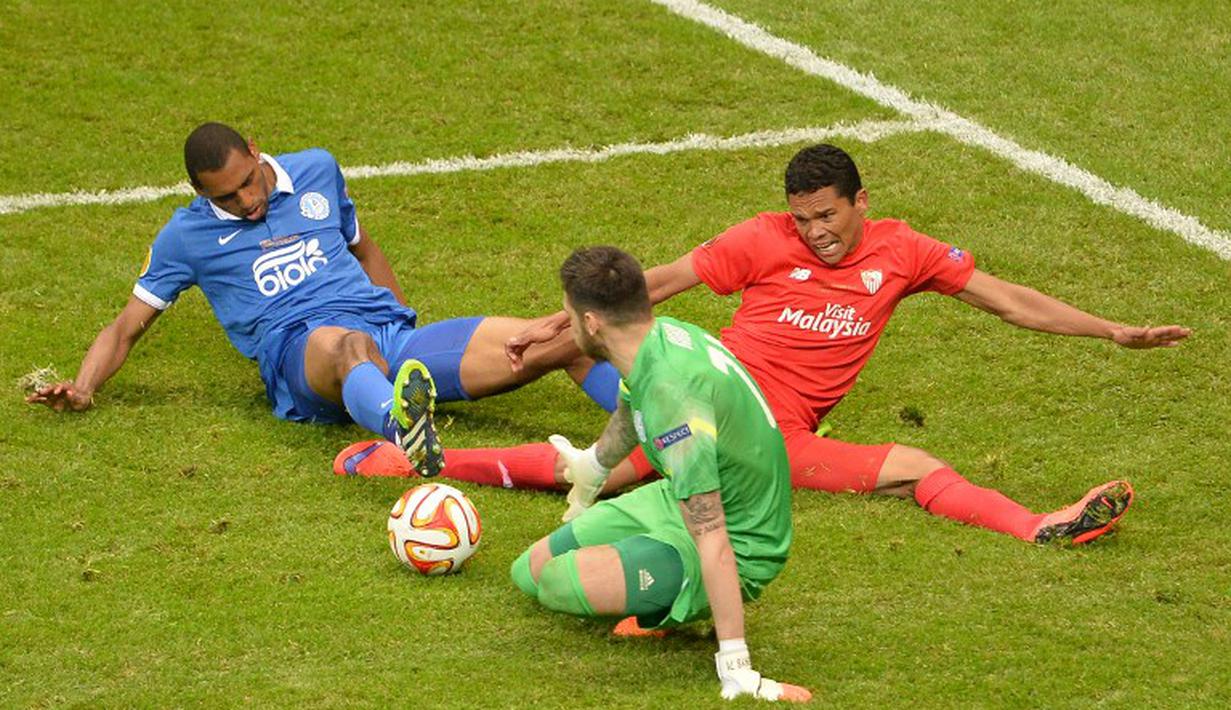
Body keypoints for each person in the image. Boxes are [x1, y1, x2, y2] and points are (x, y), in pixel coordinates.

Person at [494, 143, 1190, 545]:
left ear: (862, 201)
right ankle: (1033, 525)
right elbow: (656, 284)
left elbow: (1010, 301)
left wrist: (1110, 330)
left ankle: (1042, 526)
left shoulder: (905, 252)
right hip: (722, 398)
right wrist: (555, 320)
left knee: (611, 469)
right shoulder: (762, 237)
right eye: (802, 220)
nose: (815, 232)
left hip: (761, 424)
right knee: (611, 461)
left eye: (826, 215)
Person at [25, 122, 621, 474]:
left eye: (248, 182)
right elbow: (126, 326)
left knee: (559, 338)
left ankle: (650, 422)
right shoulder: (186, 236)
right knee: (347, 345)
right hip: (301, 353)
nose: (246, 202)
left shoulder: (317, 171)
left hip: (386, 337)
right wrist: (85, 387)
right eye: (227, 198)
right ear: (200, 192)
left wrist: (405, 326)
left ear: (256, 151)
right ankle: (403, 431)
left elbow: (364, 248)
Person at [507, 246, 810, 703]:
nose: (568, 325)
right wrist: (593, 466)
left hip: (741, 542)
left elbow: (712, 534)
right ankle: (648, 575)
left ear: (591, 323)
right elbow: (631, 408)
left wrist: (736, 666)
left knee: (558, 581)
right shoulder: (659, 337)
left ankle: (673, 596)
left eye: (569, 317)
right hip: (675, 501)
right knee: (528, 572)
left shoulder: (674, 397)